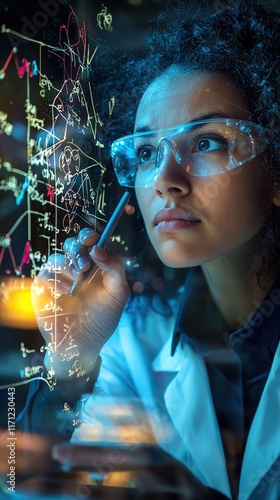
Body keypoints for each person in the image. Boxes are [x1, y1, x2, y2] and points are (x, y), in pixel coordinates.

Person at [18, 1, 280, 498]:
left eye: (206, 142)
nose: (164, 180)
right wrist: (70, 361)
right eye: (145, 152)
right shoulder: (131, 343)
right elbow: (22, 482)